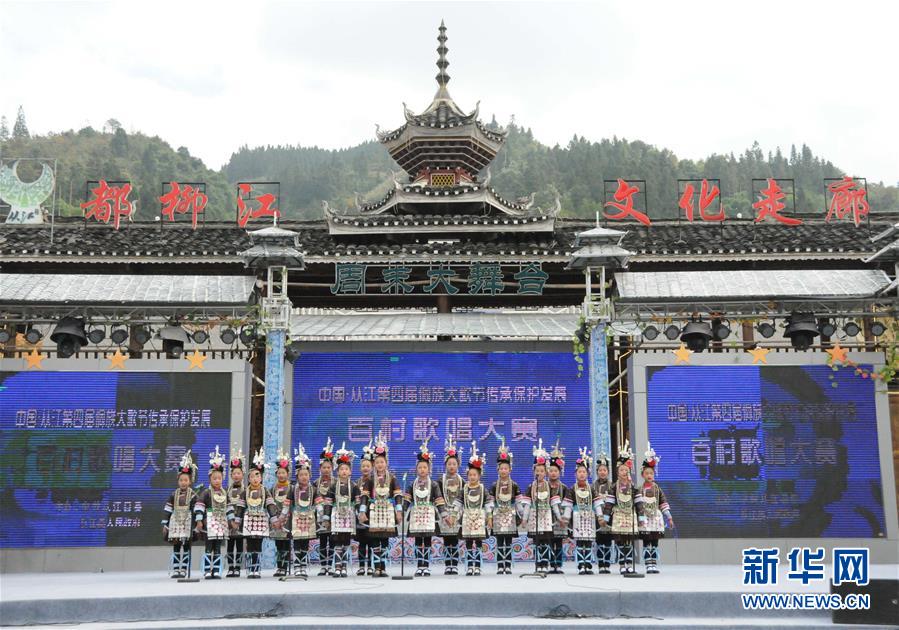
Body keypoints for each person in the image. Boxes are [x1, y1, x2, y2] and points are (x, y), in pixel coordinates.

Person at [233, 446, 280, 578]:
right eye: (252, 476)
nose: (255, 479)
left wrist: (274, 519)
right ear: (248, 478)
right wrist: (237, 520)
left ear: (261, 478)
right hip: (248, 519)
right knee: (249, 544)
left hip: (260, 519)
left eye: (257, 476)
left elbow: (270, 506)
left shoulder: (265, 491)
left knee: (258, 544)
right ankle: (250, 569)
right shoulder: (245, 492)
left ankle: (256, 568)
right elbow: (240, 508)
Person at [360, 433, 403, 578]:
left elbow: (397, 496)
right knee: (374, 540)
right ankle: (376, 567)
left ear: (386, 463)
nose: (380, 465)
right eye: (377, 462)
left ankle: (383, 567)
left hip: (388, 512)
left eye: (382, 462)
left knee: (384, 540)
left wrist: (399, 511)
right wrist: (362, 511)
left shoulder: (392, 479)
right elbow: (365, 496)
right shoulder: (370, 479)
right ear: (374, 464)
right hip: (374, 512)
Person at [404, 439, 446, 576]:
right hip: (416, 515)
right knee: (417, 541)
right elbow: (407, 499)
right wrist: (400, 511)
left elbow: (439, 500)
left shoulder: (433, 484)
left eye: (425, 467)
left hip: (428, 515)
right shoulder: (412, 484)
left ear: (429, 469)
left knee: (427, 541)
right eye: (420, 467)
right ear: (416, 469)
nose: (422, 470)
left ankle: (426, 565)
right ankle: (419, 565)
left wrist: (444, 514)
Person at [604, 442, 645, 575]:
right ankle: (622, 564)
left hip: (630, 514)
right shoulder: (613, 487)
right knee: (620, 540)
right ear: (617, 471)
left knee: (630, 541)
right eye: (621, 470)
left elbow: (639, 503)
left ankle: (630, 564)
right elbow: (609, 503)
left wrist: (641, 517)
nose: (624, 472)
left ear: (629, 472)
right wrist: (606, 516)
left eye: (626, 470)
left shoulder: (634, 487)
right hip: (618, 514)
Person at [195, 446, 233, 579]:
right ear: (210, 479)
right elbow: (199, 506)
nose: (217, 480)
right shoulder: (206, 492)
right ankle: (206, 570)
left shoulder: (224, 492)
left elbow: (229, 507)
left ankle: (216, 570)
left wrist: (232, 520)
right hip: (209, 522)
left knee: (217, 548)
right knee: (208, 547)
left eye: (219, 478)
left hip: (221, 522)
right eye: (214, 478)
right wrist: (199, 520)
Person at [487, 437, 521, 575]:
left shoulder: (514, 485)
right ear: (498, 470)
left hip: (510, 515)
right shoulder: (494, 485)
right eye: (501, 468)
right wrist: (489, 516)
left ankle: (508, 564)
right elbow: (489, 502)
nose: (503, 471)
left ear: (510, 469)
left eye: (506, 468)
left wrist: (522, 516)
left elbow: (518, 502)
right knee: (500, 542)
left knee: (509, 541)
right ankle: (500, 565)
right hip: (498, 515)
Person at [639, 443, 674, 574]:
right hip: (645, 519)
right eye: (647, 473)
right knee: (647, 541)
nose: (649, 475)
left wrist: (669, 517)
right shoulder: (640, 489)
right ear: (643, 474)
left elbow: (663, 503)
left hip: (656, 518)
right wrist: (641, 518)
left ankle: (654, 563)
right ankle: (648, 564)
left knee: (654, 542)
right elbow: (639, 505)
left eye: (651, 473)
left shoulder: (658, 489)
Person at [163, 450, 198, 578]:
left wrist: (196, 523)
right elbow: (168, 508)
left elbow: (196, 509)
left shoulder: (193, 495)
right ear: (178, 481)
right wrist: (165, 523)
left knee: (187, 546)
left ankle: (184, 569)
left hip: (187, 522)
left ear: (190, 481)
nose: (183, 482)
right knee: (176, 546)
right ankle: (176, 568)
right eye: (181, 480)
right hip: (176, 522)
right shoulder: (174, 494)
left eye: (186, 480)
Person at [521, 440, 553, 574]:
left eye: (542, 470)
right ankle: (538, 563)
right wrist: (524, 518)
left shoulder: (549, 486)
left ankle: (545, 563)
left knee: (545, 541)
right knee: (537, 542)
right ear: (533, 471)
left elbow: (554, 503)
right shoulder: (531, 487)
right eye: (537, 470)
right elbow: (527, 504)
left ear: (545, 472)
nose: (539, 473)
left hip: (546, 516)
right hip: (534, 516)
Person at [568, 448, 601, 575]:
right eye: (579, 472)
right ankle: (581, 565)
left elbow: (597, 504)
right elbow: (569, 505)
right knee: (580, 542)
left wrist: (601, 517)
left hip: (590, 517)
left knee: (588, 542)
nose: (582, 474)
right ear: (576, 474)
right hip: (577, 517)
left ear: (587, 474)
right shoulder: (572, 489)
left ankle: (588, 564)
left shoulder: (592, 488)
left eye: (584, 472)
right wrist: (566, 518)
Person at [329, 443, 360, 578]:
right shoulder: (333, 485)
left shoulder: (354, 486)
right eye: (341, 469)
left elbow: (358, 502)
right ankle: (337, 567)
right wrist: (325, 517)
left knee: (346, 541)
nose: (344, 472)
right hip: (336, 514)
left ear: (350, 471)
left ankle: (344, 567)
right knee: (337, 541)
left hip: (349, 514)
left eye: (346, 469)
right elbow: (328, 503)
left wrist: (361, 513)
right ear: (337, 471)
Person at [438, 435, 464, 575]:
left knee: (455, 540)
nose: (452, 466)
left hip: (457, 514)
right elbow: (438, 497)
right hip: (445, 514)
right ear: (445, 465)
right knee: (446, 540)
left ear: (458, 465)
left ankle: (455, 563)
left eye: (454, 464)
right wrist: (444, 513)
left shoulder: (462, 481)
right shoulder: (440, 480)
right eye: (449, 464)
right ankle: (448, 564)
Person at [290, 443, 316, 577]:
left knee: (305, 542)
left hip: (309, 518)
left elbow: (319, 504)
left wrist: (323, 516)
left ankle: (303, 566)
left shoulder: (313, 489)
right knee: (297, 542)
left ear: (310, 475)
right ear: (297, 476)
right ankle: (297, 566)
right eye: (301, 475)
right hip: (296, 517)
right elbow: (287, 505)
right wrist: (282, 517)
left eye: (306, 474)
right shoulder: (293, 489)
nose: (304, 477)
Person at [461, 442, 487, 576]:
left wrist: (490, 517)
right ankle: (469, 565)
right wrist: (454, 515)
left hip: (479, 518)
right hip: (467, 518)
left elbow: (488, 503)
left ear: (479, 476)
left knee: (478, 542)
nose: (472, 477)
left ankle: (478, 565)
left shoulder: (483, 489)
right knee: (469, 542)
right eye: (470, 475)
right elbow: (459, 502)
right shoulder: (464, 489)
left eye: (474, 475)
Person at [313, 437, 336, 575]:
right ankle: (323, 566)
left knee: (332, 540)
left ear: (332, 468)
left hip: (333, 514)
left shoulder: (337, 482)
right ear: (320, 468)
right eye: (324, 467)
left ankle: (331, 565)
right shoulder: (315, 483)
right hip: (319, 515)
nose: (326, 469)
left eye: (328, 467)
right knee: (322, 540)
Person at [548, 441, 571, 574]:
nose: (553, 473)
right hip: (548, 517)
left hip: (560, 519)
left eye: (556, 471)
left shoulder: (564, 488)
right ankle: (551, 564)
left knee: (559, 542)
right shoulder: (543, 486)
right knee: (549, 540)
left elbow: (567, 504)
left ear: (560, 472)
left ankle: (558, 564)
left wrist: (565, 518)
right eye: (551, 471)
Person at [270, 449, 293, 577]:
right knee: (278, 544)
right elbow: (270, 504)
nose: (281, 475)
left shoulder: (292, 487)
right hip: (277, 520)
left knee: (286, 544)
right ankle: (280, 567)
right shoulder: (272, 488)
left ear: (287, 474)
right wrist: (274, 518)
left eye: (283, 473)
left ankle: (286, 567)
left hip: (288, 520)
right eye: (279, 473)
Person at [355, 440, 375, 575]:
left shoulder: (375, 482)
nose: (366, 468)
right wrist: (359, 512)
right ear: (360, 468)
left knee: (372, 542)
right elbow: (355, 500)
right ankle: (362, 565)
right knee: (362, 542)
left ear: (372, 467)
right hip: (360, 516)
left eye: (368, 466)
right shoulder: (356, 483)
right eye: (363, 466)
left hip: (373, 514)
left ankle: (370, 565)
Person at [225, 445, 245, 578]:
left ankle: (237, 567)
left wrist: (238, 519)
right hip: (229, 521)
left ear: (242, 474)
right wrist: (231, 520)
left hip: (242, 520)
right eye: (234, 473)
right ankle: (230, 567)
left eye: (239, 473)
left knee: (239, 544)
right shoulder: (226, 490)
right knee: (230, 544)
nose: (236, 475)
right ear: (231, 475)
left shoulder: (246, 489)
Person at [592, 452, 614, 574]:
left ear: (608, 472)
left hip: (609, 516)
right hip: (597, 517)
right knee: (599, 540)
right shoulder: (593, 486)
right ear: (597, 472)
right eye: (600, 470)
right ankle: (601, 563)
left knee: (608, 540)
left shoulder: (612, 486)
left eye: (604, 470)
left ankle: (607, 563)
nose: (602, 472)